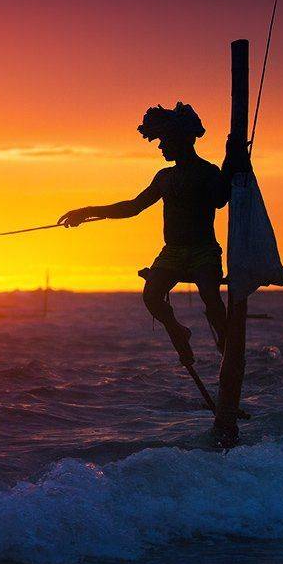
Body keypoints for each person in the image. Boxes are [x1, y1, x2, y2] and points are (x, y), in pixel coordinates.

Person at [58, 102, 229, 367]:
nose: (160, 147)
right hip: (171, 253)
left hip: (203, 251)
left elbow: (220, 200)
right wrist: (86, 211)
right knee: (151, 296)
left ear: (180, 139)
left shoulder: (207, 172)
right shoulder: (164, 177)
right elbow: (133, 207)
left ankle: (226, 343)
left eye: (164, 141)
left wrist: (232, 164)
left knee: (210, 296)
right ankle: (177, 331)